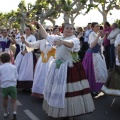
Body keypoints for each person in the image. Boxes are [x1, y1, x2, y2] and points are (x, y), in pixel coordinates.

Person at [32, 21, 95, 119]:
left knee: (69, 92)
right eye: (67, 28)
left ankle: (71, 113)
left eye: (71, 28)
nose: (69, 29)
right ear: (63, 30)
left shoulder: (74, 39)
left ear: (73, 31)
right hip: (58, 67)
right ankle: (61, 112)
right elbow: (46, 36)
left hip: (70, 68)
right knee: (58, 90)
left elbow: (71, 44)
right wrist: (38, 25)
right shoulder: (58, 38)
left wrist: (62, 42)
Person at [82, 22, 108, 95]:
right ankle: (93, 88)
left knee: (99, 72)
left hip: (97, 54)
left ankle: (97, 88)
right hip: (92, 55)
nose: (98, 28)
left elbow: (100, 42)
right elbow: (92, 45)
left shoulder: (96, 34)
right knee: (93, 73)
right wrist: (98, 36)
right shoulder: (91, 34)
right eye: (96, 26)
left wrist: (104, 35)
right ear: (92, 27)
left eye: (99, 26)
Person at [14, 25, 37, 89]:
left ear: (31, 31)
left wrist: (26, 51)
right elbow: (17, 41)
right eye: (25, 30)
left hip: (28, 55)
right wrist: (12, 39)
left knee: (26, 70)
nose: (26, 31)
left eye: (28, 30)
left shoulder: (32, 37)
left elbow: (33, 46)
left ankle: (27, 86)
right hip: (21, 55)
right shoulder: (23, 36)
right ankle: (18, 83)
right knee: (17, 68)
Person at [0, 53, 18, 120]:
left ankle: (5, 112)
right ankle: (14, 112)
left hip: (4, 86)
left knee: (5, 99)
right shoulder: (13, 67)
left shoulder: (0, 68)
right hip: (12, 85)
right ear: (10, 59)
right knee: (14, 100)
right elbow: (17, 76)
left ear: (1, 60)